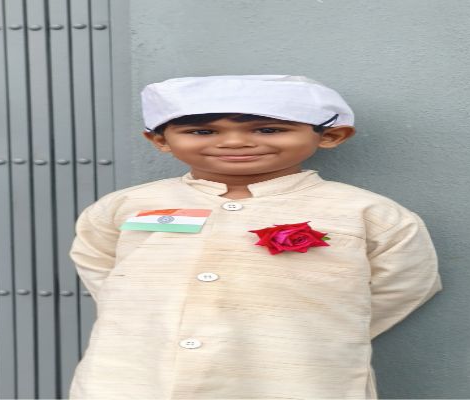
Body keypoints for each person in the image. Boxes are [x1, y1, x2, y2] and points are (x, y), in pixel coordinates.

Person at [69, 75, 442, 399]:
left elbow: (405, 284)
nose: (234, 142)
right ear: (160, 140)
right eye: (203, 131)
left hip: (294, 379)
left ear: (330, 135)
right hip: (134, 377)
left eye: (268, 129)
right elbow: (100, 265)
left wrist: (316, 330)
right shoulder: (126, 206)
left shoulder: (365, 212)